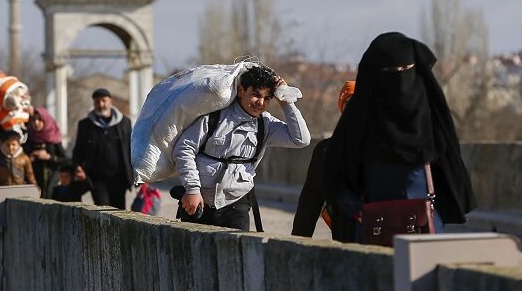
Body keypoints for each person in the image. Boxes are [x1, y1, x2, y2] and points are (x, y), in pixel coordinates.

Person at [323, 32, 476, 242]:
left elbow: (449, 171)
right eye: (391, 72)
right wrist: (357, 210)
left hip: (426, 227)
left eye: (406, 70)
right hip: (374, 229)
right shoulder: (360, 122)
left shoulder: (431, 120)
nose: (400, 80)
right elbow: (333, 174)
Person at [173, 65, 311, 231]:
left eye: (267, 98)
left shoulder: (265, 125)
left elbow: (301, 139)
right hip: (198, 202)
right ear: (240, 90)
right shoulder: (214, 117)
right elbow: (184, 149)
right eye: (255, 95)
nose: (260, 103)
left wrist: (285, 101)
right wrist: (192, 190)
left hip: (236, 206)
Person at [292, 81, 357, 241]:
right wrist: (298, 242)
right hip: (345, 237)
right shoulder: (327, 150)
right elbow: (310, 201)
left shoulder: (385, 147)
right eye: (350, 103)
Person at [72, 88, 133, 209]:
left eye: (103, 101)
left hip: (119, 178)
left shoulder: (124, 122)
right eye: (97, 102)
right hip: (97, 179)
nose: (101, 104)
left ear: (110, 101)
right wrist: (77, 166)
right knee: (103, 211)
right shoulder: (85, 125)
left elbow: (132, 148)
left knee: (120, 212)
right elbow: (78, 150)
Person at [25, 107, 68, 198]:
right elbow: (22, 158)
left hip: (51, 180)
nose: (36, 123)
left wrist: (48, 157)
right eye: (34, 120)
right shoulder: (29, 138)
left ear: (46, 120)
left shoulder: (54, 139)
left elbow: (65, 160)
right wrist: (30, 158)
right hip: (33, 181)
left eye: (40, 119)